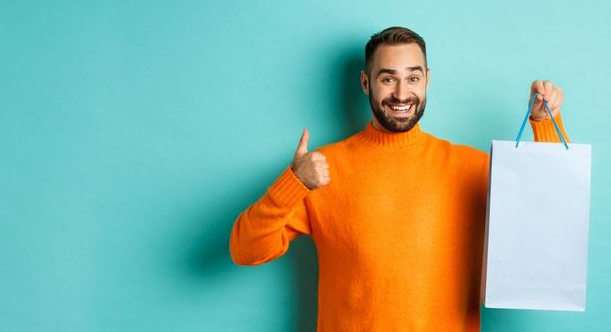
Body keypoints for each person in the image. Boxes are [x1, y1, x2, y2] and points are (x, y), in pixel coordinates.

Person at [229, 26, 570, 331]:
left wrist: (544, 123)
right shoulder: (323, 169)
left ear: (428, 79)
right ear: (366, 83)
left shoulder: (471, 167)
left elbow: (548, 222)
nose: (402, 94)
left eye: (413, 77)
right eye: (388, 78)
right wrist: (294, 183)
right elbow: (245, 250)